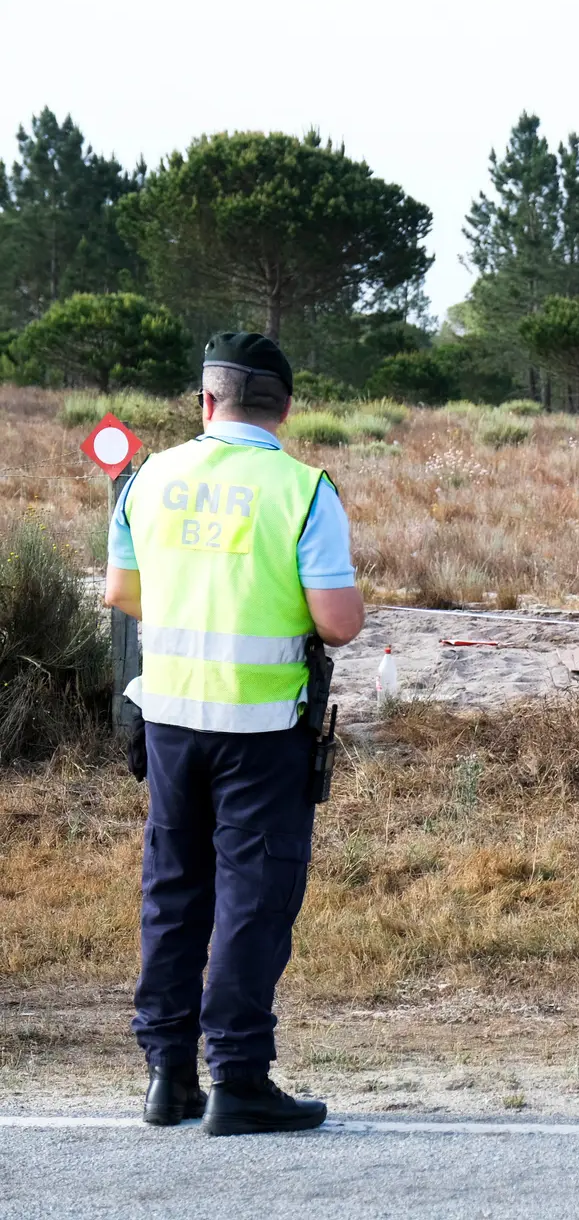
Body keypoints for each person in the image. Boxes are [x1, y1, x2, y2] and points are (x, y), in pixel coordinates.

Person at [102, 333, 365, 1134]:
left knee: (173, 891)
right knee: (252, 898)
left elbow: (121, 590)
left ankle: (166, 1076)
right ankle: (239, 1079)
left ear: (206, 401)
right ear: (284, 409)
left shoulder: (147, 478)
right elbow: (339, 623)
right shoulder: (304, 489)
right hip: (261, 731)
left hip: (171, 721)